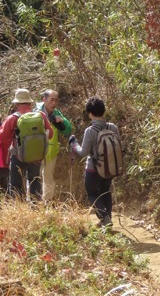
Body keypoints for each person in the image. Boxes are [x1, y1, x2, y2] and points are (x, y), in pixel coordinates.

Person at [68, 96, 120, 228]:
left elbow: (83, 152)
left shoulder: (90, 131)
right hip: (110, 166)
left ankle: (104, 218)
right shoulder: (113, 127)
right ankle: (106, 218)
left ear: (90, 114)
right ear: (104, 111)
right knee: (105, 191)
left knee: (92, 193)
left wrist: (74, 144)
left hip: (94, 168)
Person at [0, 88, 54, 200]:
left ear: (17, 103)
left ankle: (18, 207)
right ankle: (36, 207)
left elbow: (2, 137)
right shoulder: (40, 115)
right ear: (30, 102)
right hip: (36, 156)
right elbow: (51, 134)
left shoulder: (12, 118)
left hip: (18, 156)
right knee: (35, 182)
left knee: (16, 185)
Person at [36, 89, 73, 201]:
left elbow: (68, 131)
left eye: (56, 100)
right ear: (44, 99)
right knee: (34, 178)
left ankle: (46, 204)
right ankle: (33, 203)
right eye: (52, 100)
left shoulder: (56, 113)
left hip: (51, 152)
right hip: (36, 152)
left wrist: (62, 122)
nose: (54, 103)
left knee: (48, 180)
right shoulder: (36, 112)